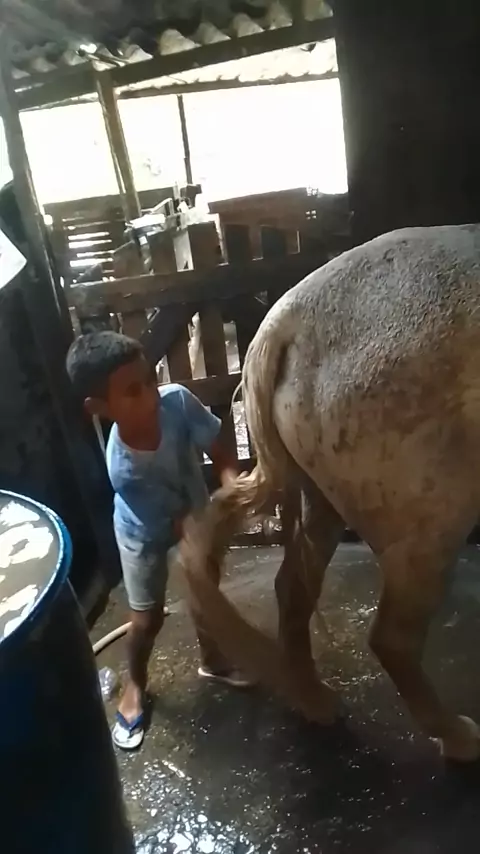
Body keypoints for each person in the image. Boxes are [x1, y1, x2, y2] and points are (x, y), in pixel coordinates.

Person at [66, 331, 250, 750]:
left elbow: (222, 455)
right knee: (147, 620)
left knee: (205, 593)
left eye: (150, 380)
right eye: (133, 391)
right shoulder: (123, 467)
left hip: (194, 514)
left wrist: (232, 489)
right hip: (143, 532)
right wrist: (203, 525)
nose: (150, 395)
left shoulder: (178, 402)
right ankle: (135, 683)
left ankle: (213, 660)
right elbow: (174, 524)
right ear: (99, 408)